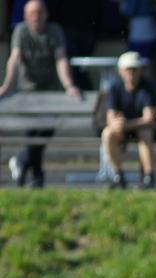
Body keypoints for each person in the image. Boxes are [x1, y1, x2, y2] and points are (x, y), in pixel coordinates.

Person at [0, 0, 80, 188]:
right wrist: (5, 86)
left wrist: (69, 85)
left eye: (40, 12)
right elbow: (15, 59)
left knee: (45, 130)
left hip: (50, 90)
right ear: (26, 16)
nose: (37, 16)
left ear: (46, 14)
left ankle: (22, 160)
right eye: (33, 13)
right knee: (34, 132)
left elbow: (61, 59)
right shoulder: (21, 31)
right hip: (28, 90)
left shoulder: (54, 31)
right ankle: (37, 175)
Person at [102, 51, 156, 190]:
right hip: (127, 128)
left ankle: (149, 176)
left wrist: (126, 124)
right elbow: (110, 116)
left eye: (135, 69)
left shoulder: (148, 87)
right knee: (108, 133)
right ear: (121, 71)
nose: (131, 73)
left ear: (140, 70)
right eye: (128, 69)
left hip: (149, 128)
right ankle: (118, 176)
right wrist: (117, 125)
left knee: (144, 132)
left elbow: (149, 118)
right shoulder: (115, 87)